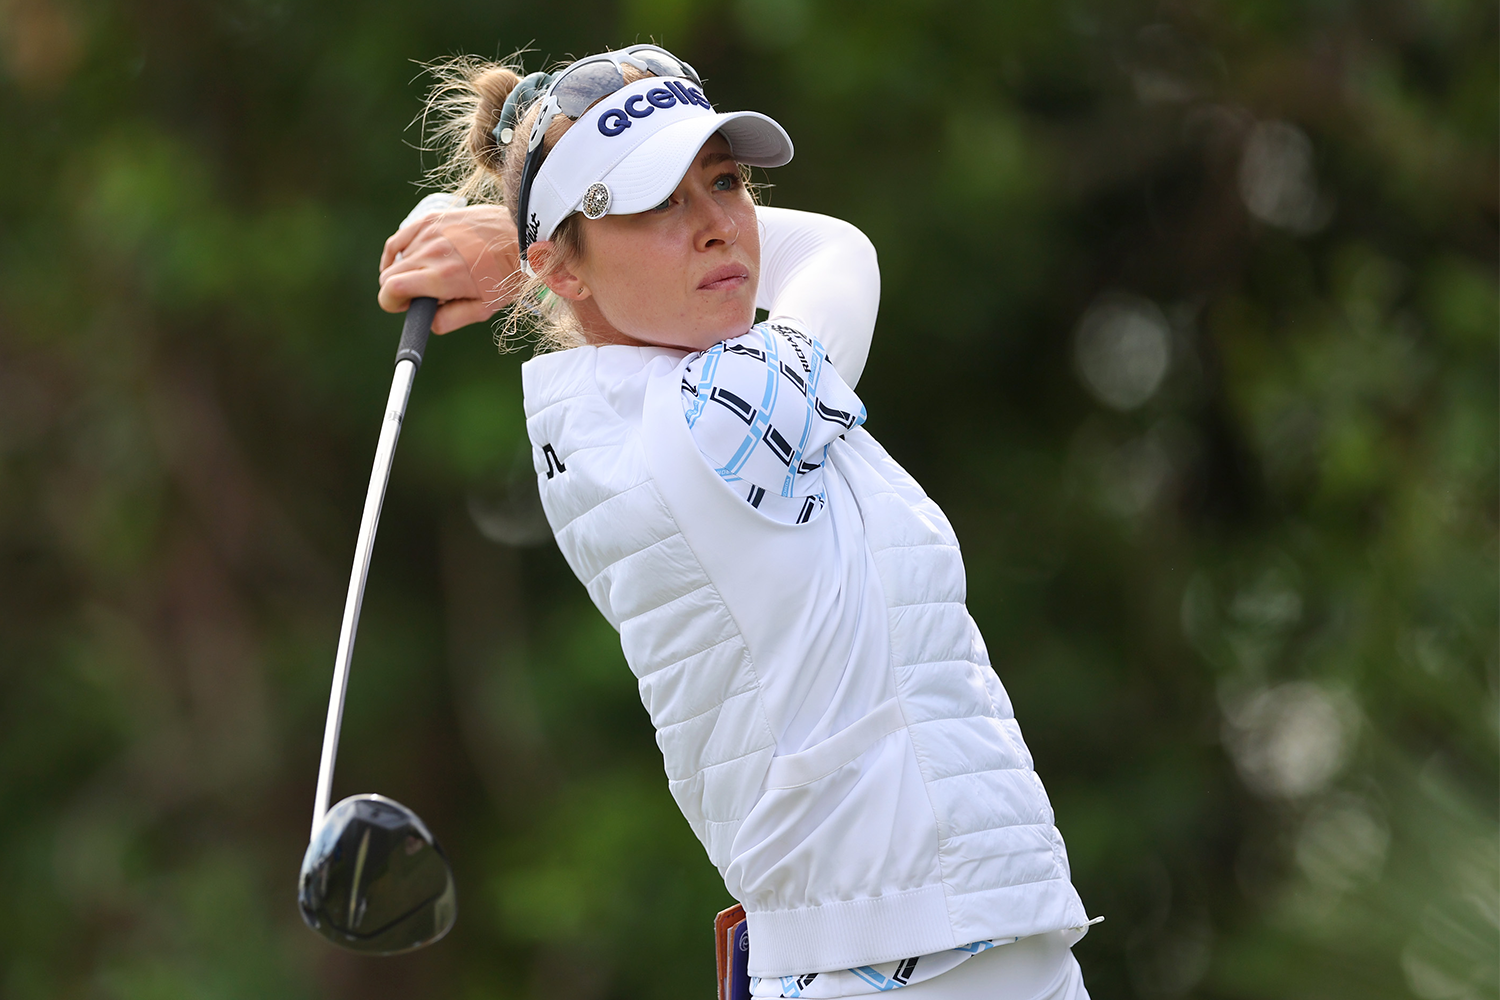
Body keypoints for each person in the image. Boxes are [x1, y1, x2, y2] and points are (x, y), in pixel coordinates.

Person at [378, 45, 1096, 999]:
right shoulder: (714, 416)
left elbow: (775, 251)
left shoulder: (642, 411)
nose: (719, 227)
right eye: (657, 200)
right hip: (903, 968)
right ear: (561, 268)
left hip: (950, 950)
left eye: (724, 180)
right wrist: (513, 242)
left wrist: (531, 240)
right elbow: (840, 250)